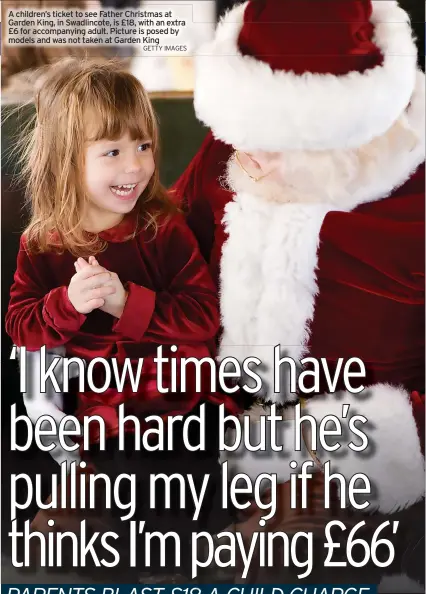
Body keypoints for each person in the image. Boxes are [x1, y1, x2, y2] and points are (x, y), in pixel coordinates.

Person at [172, 0, 425, 580]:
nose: (250, 156)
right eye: (240, 130)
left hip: (374, 476)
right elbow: (167, 270)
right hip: (217, 438)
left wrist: (338, 459)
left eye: (281, 142)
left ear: (363, 123)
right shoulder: (229, 150)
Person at [5, 58, 239, 580]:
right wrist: (66, 304)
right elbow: (22, 327)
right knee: (77, 535)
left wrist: (124, 302)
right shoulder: (42, 245)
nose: (134, 167)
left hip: (187, 410)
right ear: (66, 160)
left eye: (144, 146)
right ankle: (89, 504)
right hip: (105, 422)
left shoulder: (163, 230)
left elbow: (203, 318)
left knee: (188, 518)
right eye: (112, 151)